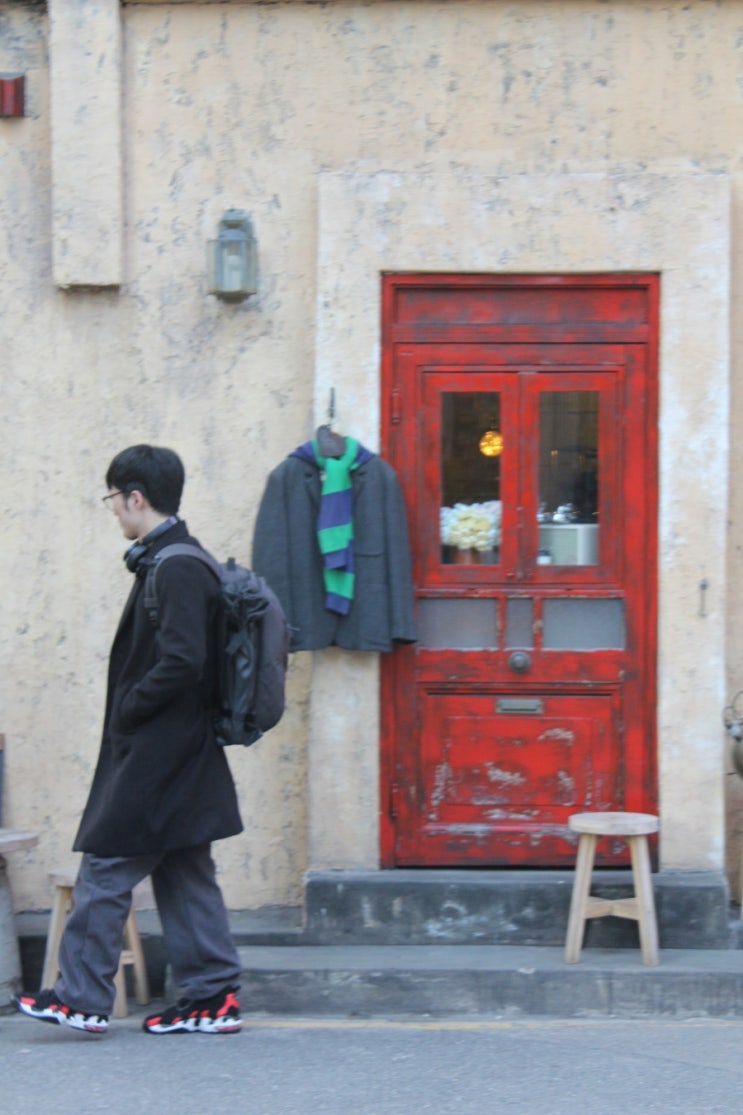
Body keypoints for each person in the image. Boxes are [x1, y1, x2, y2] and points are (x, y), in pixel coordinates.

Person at [13, 445, 244, 1035]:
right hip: (179, 745)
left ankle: (80, 997)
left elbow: (183, 660)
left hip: (161, 749)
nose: (114, 509)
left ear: (136, 497)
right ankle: (212, 998)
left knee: (108, 862)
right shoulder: (175, 558)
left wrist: (130, 707)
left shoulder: (177, 566)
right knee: (184, 868)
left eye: (114, 498)